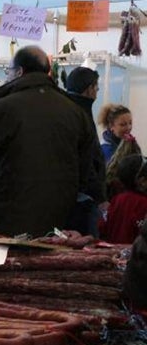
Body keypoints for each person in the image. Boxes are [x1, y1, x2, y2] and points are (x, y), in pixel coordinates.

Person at [0, 46, 94, 237]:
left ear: (19, 72)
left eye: (8, 72)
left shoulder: (3, 108)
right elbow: (86, 167)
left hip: (5, 221)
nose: (7, 77)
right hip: (56, 221)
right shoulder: (76, 111)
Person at [64, 66, 107, 236]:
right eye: (96, 87)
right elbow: (87, 158)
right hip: (82, 197)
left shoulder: (67, 109)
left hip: (69, 193)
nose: (97, 92)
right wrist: (100, 196)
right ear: (89, 89)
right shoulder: (81, 113)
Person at [101, 154, 147, 244]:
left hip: (112, 254)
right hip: (137, 255)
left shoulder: (116, 200)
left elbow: (102, 228)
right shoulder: (144, 204)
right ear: (142, 181)